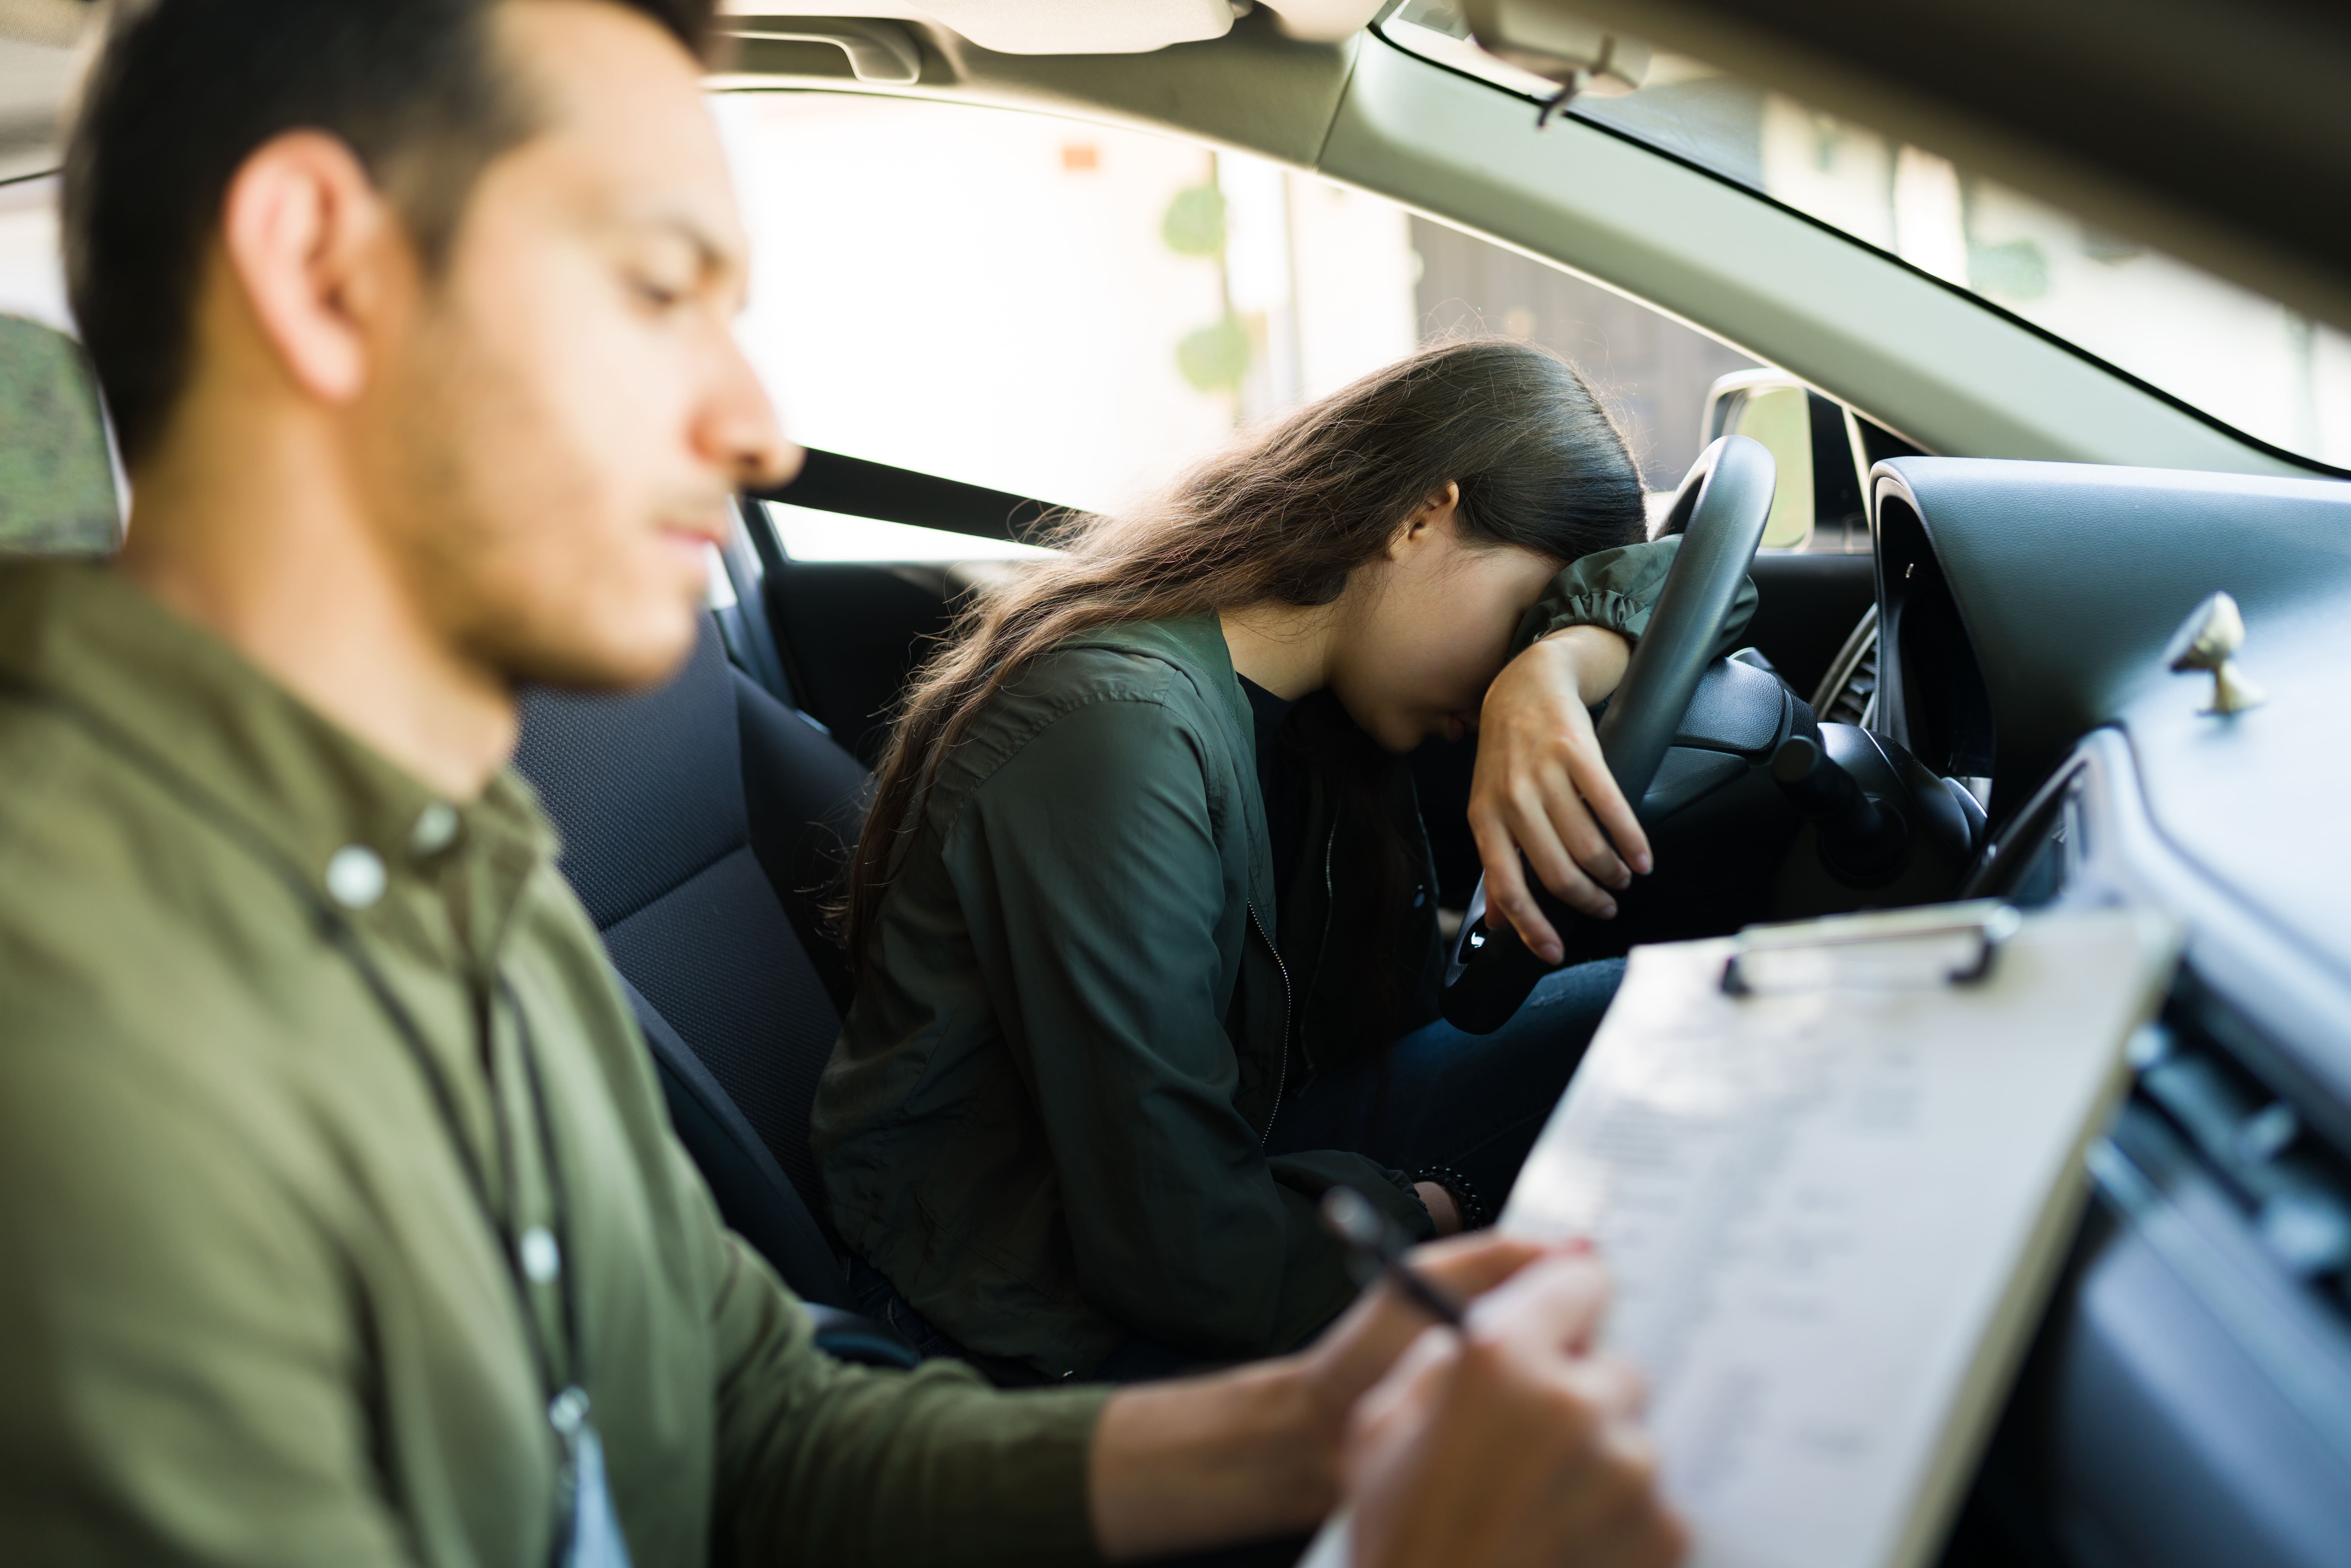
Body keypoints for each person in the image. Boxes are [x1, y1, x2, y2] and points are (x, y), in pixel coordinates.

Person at [0, 0, 1688, 1564]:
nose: (758, 428)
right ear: (324, 271)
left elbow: (755, 1421)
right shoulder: (80, 1042)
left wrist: (1310, 1436)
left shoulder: (464, 872)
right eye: (659, 292)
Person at [815, 341, 1756, 1382]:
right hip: (1025, 1313)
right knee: (1640, 1045)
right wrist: (1426, 1214)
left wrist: (1552, 665)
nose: (1507, 663)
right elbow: (1176, 1244)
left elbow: (1708, 582)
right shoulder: (1116, 727)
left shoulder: (1320, 713)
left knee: (1656, 1020)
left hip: (1210, 1182)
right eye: (1520, 617)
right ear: (1419, 519)